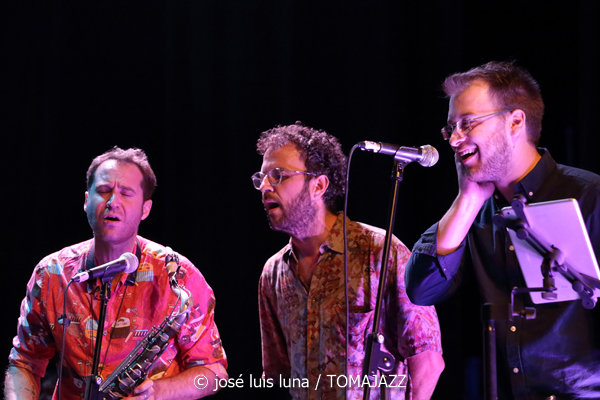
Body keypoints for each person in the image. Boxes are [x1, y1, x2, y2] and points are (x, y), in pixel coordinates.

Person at [405, 61, 600, 399]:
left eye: (468, 123)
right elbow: (421, 290)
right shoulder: (475, 211)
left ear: (515, 121)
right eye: (450, 128)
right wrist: (466, 200)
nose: (454, 140)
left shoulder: (588, 195)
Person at [5, 147, 227, 400]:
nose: (112, 202)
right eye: (103, 191)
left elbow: (214, 373)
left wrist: (159, 391)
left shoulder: (179, 275)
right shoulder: (52, 273)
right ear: (86, 201)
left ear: (145, 209)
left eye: (126, 193)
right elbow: (24, 362)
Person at [253, 122, 444, 400]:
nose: (264, 186)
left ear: (318, 185)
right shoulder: (273, 273)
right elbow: (276, 375)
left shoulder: (380, 251)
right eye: (261, 178)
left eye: (278, 175)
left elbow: (428, 363)